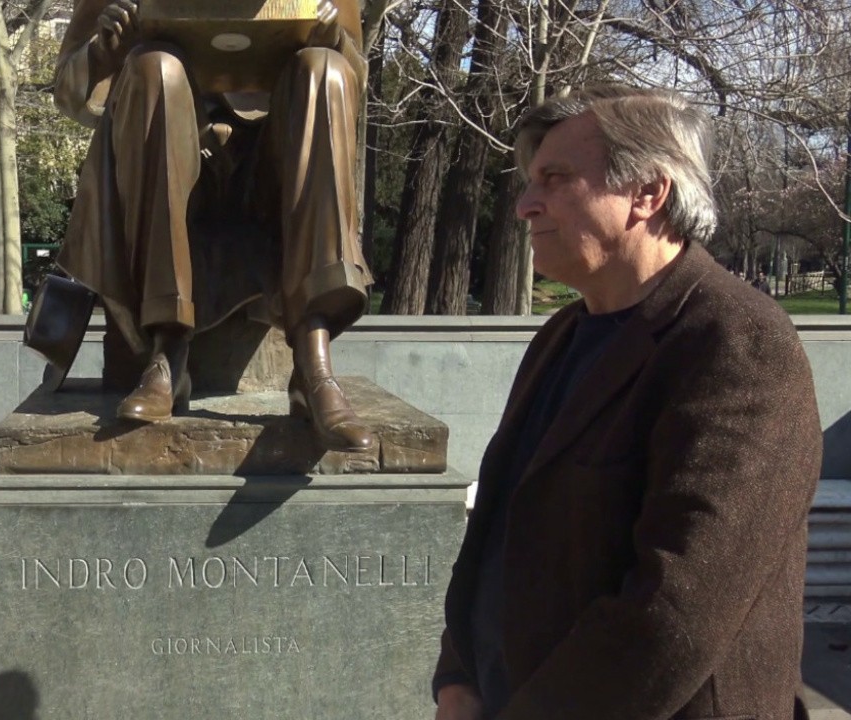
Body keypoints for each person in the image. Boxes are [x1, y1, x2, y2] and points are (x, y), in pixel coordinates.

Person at [433, 85, 822, 720]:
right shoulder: (562, 336)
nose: (525, 205)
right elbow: (498, 526)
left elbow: (676, 611)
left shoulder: (737, 343)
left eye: (556, 179)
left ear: (648, 193)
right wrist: (458, 675)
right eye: (530, 182)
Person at [51, 0, 375, 450]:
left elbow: (356, 78)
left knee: (327, 68)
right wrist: (104, 50)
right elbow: (68, 89)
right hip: (171, 156)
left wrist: (334, 39)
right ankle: (167, 351)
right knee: (154, 66)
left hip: (276, 165)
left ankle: (313, 361)